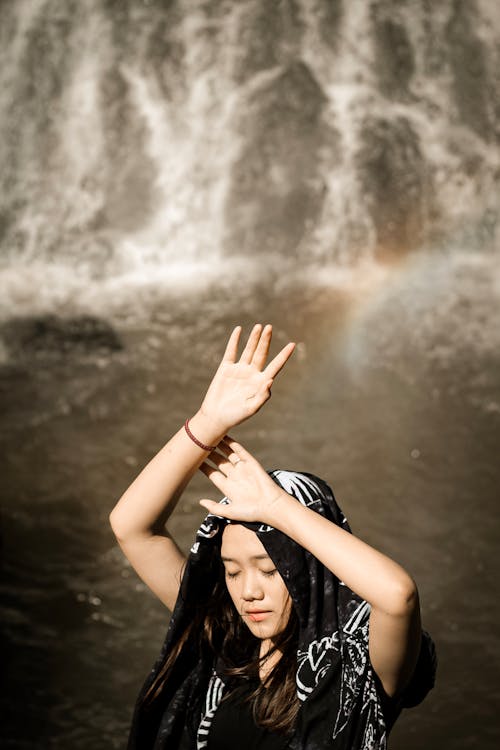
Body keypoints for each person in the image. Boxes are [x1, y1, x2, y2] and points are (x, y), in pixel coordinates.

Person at [110, 324, 436, 750]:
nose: (248, 591)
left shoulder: (359, 661)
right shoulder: (228, 640)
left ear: (309, 567)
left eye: (269, 569)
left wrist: (277, 508)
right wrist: (208, 423)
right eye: (231, 571)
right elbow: (132, 527)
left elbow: (398, 596)